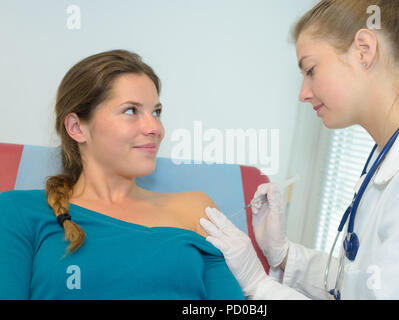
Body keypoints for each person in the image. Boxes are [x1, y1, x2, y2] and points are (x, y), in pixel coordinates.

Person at [200, 0, 399, 299]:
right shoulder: (390, 156)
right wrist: (283, 255)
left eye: (311, 70)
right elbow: (362, 284)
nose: (303, 94)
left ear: (364, 50)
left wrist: (259, 285)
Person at [0, 49, 244, 300]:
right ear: (77, 128)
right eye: (131, 111)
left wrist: (272, 273)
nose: (155, 128)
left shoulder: (195, 209)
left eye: (156, 112)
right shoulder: (18, 211)